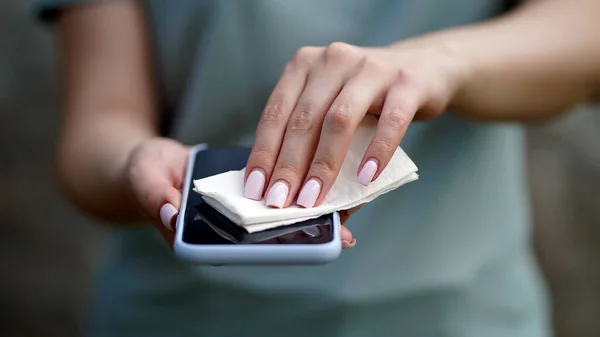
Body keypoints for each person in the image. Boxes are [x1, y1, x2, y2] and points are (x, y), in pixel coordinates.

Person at [36, 0, 599, 336]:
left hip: (457, 317)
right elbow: (97, 125)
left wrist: (441, 63)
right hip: (184, 317)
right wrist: (133, 162)